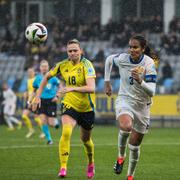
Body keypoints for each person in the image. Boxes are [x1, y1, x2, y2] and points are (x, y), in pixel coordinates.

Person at [32, 39, 96, 179]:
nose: (72, 53)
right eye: (70, 51)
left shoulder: (87, 65)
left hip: (86, 108)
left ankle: (91, 162)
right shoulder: (62, 65)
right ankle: (63, 167)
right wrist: (37, 96)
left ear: (81, 51)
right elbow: (46, 77)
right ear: (67, 52)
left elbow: (92, 88)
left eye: (75, 50)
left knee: (86, 140)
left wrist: (72, 88)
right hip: (69, 104)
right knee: (66, 132)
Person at [104, 35, 158, 180]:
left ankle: (130, 176)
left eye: (135, 47)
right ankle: (121, 157)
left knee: (134, 146)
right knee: (126, 126)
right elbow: (109, 59)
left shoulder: (149, 64)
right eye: (130, 47)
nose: (131, 50)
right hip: (125, 100)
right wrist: (107, 82)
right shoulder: (122, 58)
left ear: (142, 49)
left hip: (143, 106)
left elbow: (152, 92)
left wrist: (140, 81)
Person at [30, 60, 60, 144]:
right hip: (41, 101)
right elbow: (34, 91)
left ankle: (55, 122)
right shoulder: (38, 78)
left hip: (51, 101)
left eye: (46, 66)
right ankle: (49, 140)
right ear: (40, 68)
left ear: (48, 67)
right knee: (43, 120)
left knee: (51, 123)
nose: (44, 68)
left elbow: (61, 86)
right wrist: (30, 101)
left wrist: (57, 96)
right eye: (42, 66)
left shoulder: (53, 77)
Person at [22, 67, 43, 138]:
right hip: (29, 101)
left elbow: (37, 90)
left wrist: (36, 100)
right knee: (24, 116)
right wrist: (26, 93)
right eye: (28, 71)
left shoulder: (37, 79)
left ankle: (43, 132)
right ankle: (31, 130)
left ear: (34, 72)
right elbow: (29, 90)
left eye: (31, 71)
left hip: (35, 101)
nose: (29, 73)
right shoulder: (27, 80)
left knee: (36, 118)